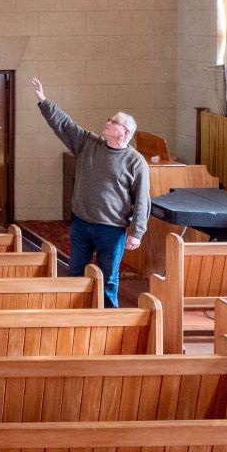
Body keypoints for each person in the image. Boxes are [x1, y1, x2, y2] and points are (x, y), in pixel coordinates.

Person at [31, 77, 148, 307]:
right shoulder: (88, 143)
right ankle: (73, 313)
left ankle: (107, 320)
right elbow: (65, 125)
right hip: (82, 224)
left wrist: (137, 231)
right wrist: (44, 101)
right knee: (75, 272)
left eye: (112, 121)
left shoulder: (136, 162)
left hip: (111, 229)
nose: (107, 122)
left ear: (124, 132)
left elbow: (142, 199)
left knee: (108, 278)